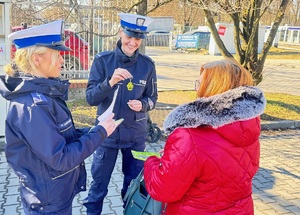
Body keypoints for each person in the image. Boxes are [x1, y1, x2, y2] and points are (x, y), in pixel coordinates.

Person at [0, 20, 118, 215]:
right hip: (48, 203)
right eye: (57, 55)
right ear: (37, 59)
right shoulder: (32, 107)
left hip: (53, 194)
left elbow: (61, 136)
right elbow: (61, 157)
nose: (63, 60)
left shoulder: (43, 93)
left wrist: (94, 130)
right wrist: (99, 134)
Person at [144, 59, 267, 215]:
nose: (197, 89)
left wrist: (153, 162)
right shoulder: (249, 125)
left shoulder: (189, 136)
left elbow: (162, 190)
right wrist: (177, 156)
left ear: (212, 88)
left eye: (199, 83)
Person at [83, 12, 158, 214]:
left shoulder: (147, 65)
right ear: (120, 33)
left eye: (138, 38)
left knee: (132, 187)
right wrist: (109, 83)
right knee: (98, 187)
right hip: (106, 136)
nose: (133, 43)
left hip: (135, 136)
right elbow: (90, 98)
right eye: (129, 37)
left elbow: (153, 99)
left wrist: (143, 104)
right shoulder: (102, 61)